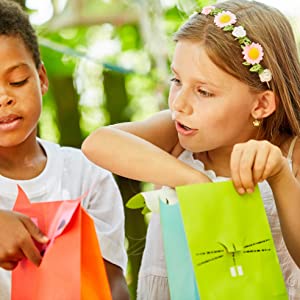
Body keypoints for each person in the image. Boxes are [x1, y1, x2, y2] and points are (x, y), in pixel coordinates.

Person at [82, 0, 300, 299]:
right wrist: (195, 182)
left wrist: (280, 178)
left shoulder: (292, 154)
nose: (178, 103)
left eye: (203, 91)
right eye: (176, 80)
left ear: (261, 104)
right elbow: (97, 143)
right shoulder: (177, 136)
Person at [0, 1, 129, 299]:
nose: (4, 97)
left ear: (41, 79)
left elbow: (112, 284)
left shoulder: (86, 175)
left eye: (17, 81)